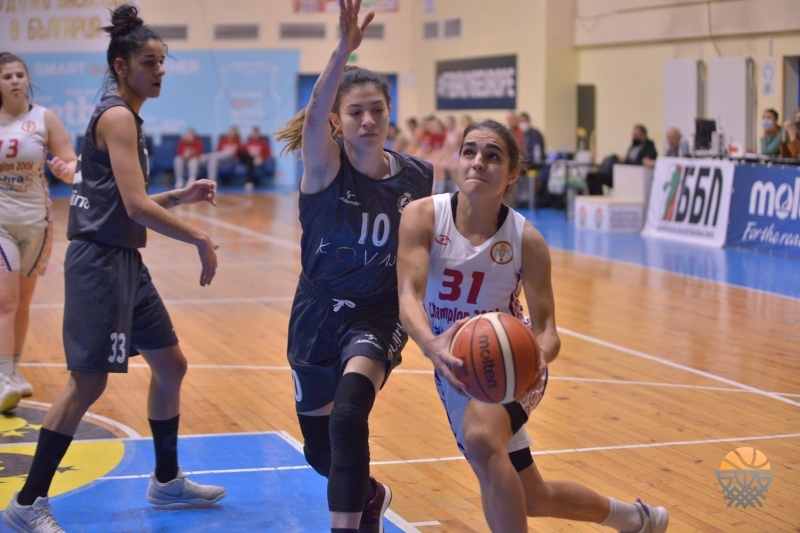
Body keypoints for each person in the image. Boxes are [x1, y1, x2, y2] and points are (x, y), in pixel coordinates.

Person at [3, 6, 226, 533]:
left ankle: (166, 480)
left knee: (171, 365)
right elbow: (134, 206)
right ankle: (27, 502)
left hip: (124, 259)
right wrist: (198, 236)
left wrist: (180, 196)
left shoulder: (127, 117)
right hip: (99, 264)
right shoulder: (118, 117)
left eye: (163, 62)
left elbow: (123, 201)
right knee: (87, 384)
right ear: (121, 66)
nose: (160, 71)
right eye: (149, 62)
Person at [397, 119, 669, 533]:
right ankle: (636, 520)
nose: (477, 162)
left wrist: (532, 360)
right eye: (469, 152)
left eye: (492, 156)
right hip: (453, 363)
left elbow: (548, 332)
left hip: (510, 362)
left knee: (482, 440)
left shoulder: (527, 240)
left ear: (512, 174)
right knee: (531, 497)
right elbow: (408, 298)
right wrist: (432, 346)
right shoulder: (423, 216)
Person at [273, 1, 432, 531]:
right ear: (336, 121)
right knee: (320, 453)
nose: (368, 120)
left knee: (347, 419)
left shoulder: (418, 177)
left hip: (377, 314)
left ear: (390, 113)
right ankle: (371, 495)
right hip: (316, 312)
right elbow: (316, 108)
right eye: (356, 112)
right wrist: (343, 50)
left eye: (377, 110)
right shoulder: (323, 167)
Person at [0, 52, 77, 411]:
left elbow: (72, 164)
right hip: (1, 220)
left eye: (19, 74)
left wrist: (65, 170)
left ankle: (14, 371)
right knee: (5, 301)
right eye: (7, 76)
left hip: (36, 221)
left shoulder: (44, 118)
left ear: (27, 79)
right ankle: (2, 376)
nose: (15, 81)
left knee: (22, 303)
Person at [241, 126, 272, 192]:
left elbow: (268, 153)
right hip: (249, 160)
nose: (255, 135)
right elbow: (242, 151)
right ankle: (249, 182)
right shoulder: (248, 142)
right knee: (249, 160)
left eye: (256, 134)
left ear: (259, 134)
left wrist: (260, 156)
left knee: (254, 161)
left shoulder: (263, 143)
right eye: (253, 134)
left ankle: (249, 181)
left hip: (259, 160)